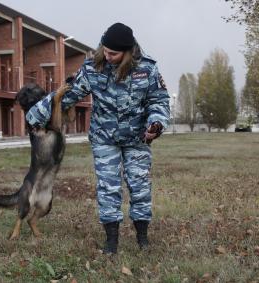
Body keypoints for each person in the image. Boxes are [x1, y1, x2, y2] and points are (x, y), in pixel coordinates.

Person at [26, 22, 170, 254]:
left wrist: (157, 124)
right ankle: (111, 240)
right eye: (105, 50)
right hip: (105, 137)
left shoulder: (147, 68)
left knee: (140, 185)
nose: (107, 55)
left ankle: (142, 237)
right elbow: (68, 94)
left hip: (137, 138)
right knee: (108, 187)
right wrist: (36, 115)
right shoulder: (93, 68)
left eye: (113, 53)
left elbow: (159, 101)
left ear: (127, 52)